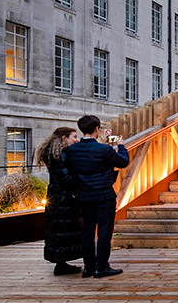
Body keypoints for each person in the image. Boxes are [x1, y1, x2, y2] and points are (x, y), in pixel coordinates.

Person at [63, 115, 129, 278]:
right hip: (104, 195)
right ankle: (102, 267)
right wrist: (120, 146)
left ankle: (88, 267)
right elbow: (123, 162)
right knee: (104, 232)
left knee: (87, 231)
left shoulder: (72, 150)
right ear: (97, 129)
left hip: (85, 195)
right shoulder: (104, 150)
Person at [35, 127, 82, 276]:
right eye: (73, 137)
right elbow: (66, 178)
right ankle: (61, 264)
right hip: (64, 198)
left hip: (55, 197)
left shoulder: (51, 153)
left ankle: (61, 262)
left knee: (57, 230)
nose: (76, 140)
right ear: (64, 137)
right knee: (64, 230)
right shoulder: (61, 155)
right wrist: (80, 180)